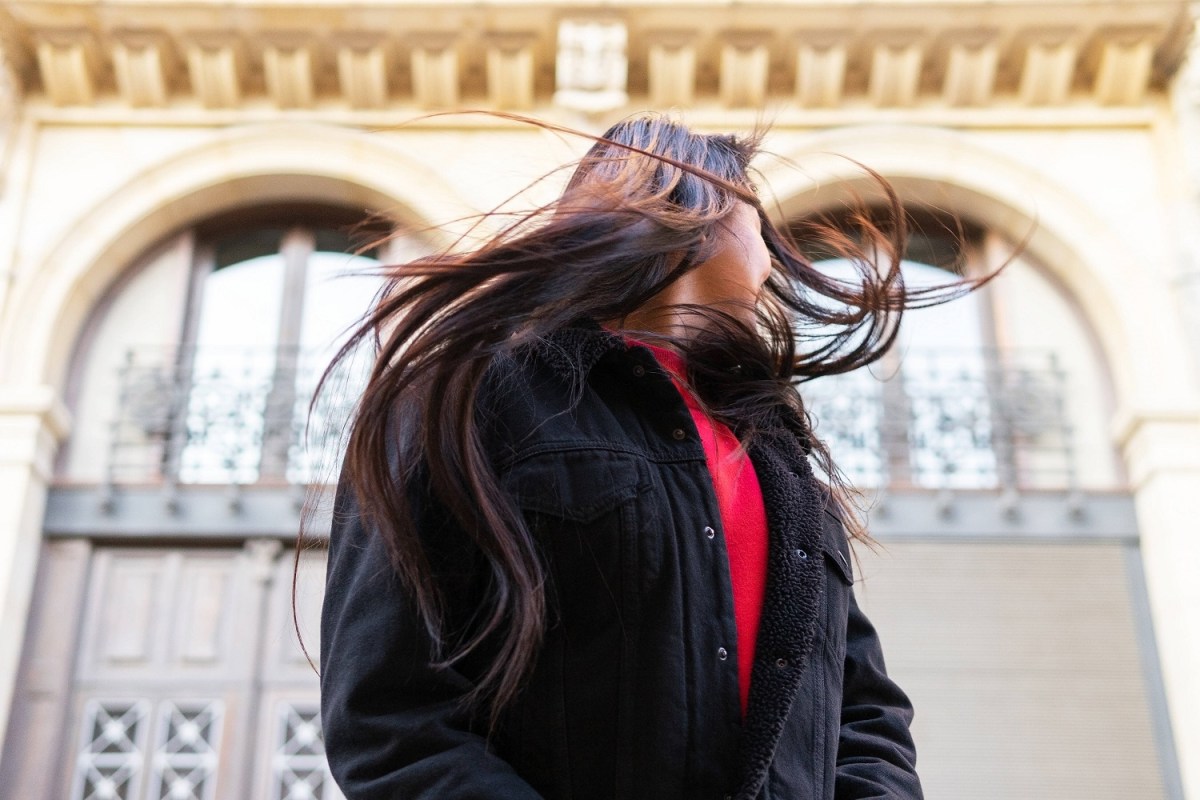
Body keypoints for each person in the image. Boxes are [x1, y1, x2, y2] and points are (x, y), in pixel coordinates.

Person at [319, 114, 956, 799]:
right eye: (758, 219)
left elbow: (864, 713)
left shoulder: (779, 457)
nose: (774, 255)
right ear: (702, 211)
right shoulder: (464, 397)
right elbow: (389, 718)